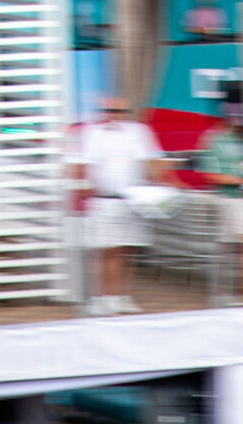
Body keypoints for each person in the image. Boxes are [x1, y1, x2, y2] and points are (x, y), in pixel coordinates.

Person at [69, 95, 167, 316]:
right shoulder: (91, 134)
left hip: (132, 199)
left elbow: (153, 160)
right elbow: (80, 165)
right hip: (103, 199)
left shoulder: (138, 132)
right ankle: (102, 297)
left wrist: (159, 182)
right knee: (106, 250)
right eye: (110, 111)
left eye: (119, 111)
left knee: (127, 250)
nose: (114, 116)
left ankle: (121, 295)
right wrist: (82, 188)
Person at [192, 101, 243, 303]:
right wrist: (242, 180)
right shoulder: (214, 139)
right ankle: (232, 290)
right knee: (240, 243)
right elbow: (210, 175)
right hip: (230, 198)